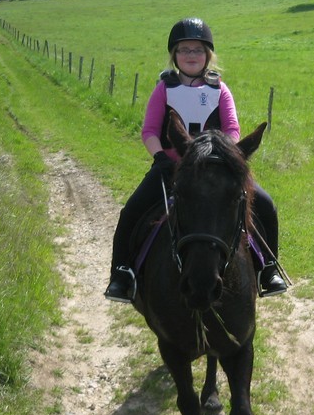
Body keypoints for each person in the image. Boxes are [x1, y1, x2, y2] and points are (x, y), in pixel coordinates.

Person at [104, 17, 287, 303]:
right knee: (132, 210)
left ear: (208, 55)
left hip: (214, 168)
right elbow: (149, 130)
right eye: (185, 49)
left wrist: (222, 154)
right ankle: (121, 273)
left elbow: (232, 129)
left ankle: (268, 269)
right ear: (174, 55)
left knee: (265, 205)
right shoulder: (164, 89)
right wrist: (160, 157)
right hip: (171, 167)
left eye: (198, 50)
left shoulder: (220, 90)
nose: (191, 55)